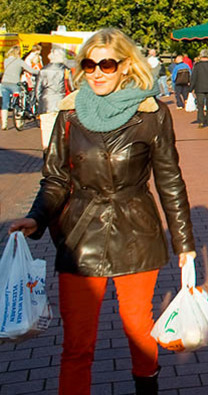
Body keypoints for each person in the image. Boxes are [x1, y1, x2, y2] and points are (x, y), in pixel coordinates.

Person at [8, 27, 195, 395]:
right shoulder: (69, 113)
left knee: (139, 332)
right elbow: (56, 179)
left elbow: (170, 181)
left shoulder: (151, 113)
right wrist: (37, 217)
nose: (97, 72)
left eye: (107, 64)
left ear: (126, 66)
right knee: (77, 344)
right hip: (80, 236)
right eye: (89, 64)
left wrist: (184, 244)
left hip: (137, 231)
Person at [36, 47, 74, 149]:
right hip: (60, 103)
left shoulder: (43, 70)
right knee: (60, 130)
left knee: (46, 131)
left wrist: (40, 101)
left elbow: (37, 91)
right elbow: (72, 87)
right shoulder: (65, 70)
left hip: (46, 103)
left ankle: (46, 152)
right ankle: (58, 153)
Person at [189, 48, 208, 127]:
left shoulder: (197, 66)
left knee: (200, 105)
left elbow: (194, 78)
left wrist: (191, 88)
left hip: (199, 88)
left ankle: (201, 121)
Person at [1, 45, 27, 129]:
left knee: (5, 103)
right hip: (15, 84)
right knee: (18, 102)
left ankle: (4, 124)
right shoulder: (20, 61)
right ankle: (18, 122)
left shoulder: (6, 61)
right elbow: (30, 69)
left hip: (4, 83)